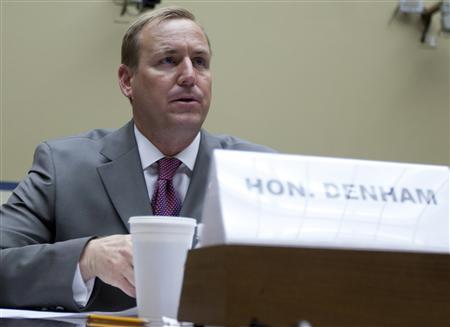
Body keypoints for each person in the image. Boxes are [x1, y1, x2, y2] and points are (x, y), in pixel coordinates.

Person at [0, 6, 273, 312]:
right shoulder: (63, 168)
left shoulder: (258, 172)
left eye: (200, 62)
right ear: (127, 81)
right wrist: (85, 259)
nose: (189, 76)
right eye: (168, 60)